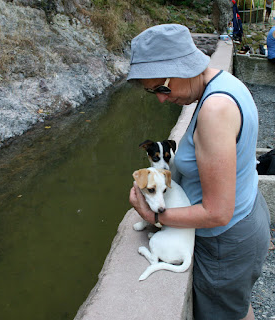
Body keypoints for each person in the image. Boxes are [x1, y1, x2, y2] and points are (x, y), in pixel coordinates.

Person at [128, 24, 270, 320]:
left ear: (184, 67)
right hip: (245, 219)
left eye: (163, 88)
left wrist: (153, 215)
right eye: (152, 92)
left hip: (225, 241)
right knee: (236, 308)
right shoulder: (223, 83)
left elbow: (217, 213)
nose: (161, 99)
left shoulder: (215, 111)